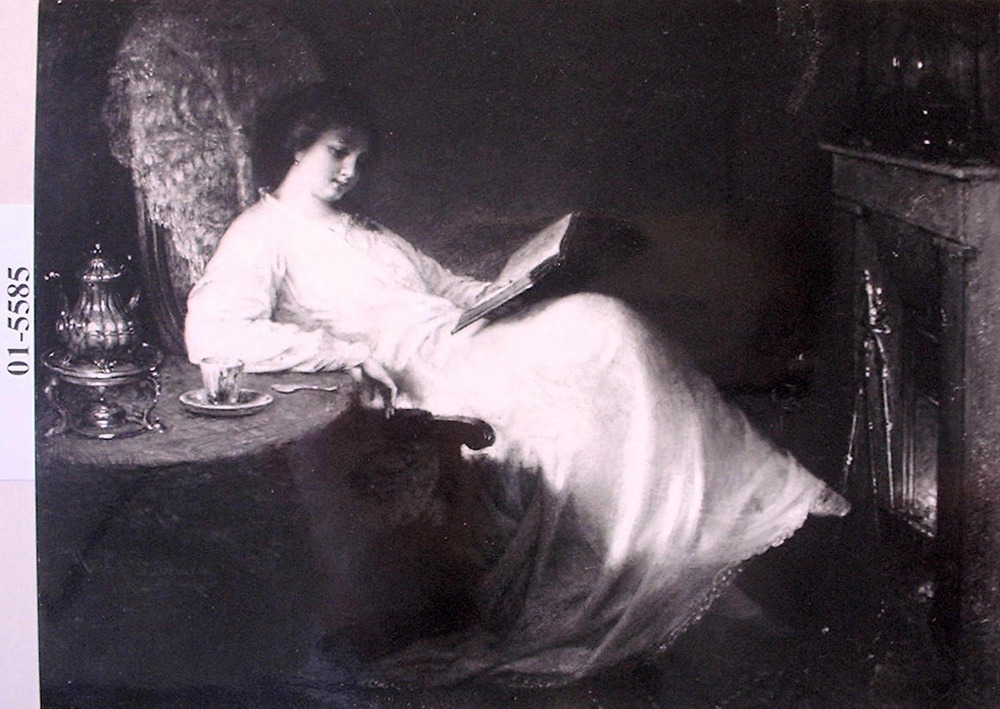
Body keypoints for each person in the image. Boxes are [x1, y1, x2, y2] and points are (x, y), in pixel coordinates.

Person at [185, 82, 849, 688]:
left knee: (605, 329)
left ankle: (695, 542)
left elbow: (446, 288)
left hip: (469, 340)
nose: (351, 171)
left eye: (360, 157)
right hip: (425, 373)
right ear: (296, 144)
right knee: (603, 339)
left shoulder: (368, 229)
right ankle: (697, 540)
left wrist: (521, 284)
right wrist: (343, 353)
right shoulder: (262, 233)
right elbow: (215, 331)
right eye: (338, 153)